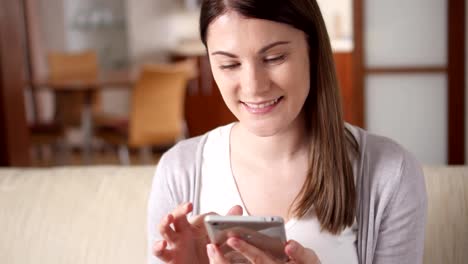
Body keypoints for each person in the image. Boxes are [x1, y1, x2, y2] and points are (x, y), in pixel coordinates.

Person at [147, 0, 427, 263]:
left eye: (274, 57)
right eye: (230, 64)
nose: (253, 86)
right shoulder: (178, 170)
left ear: (313, 52)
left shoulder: (390, 174)